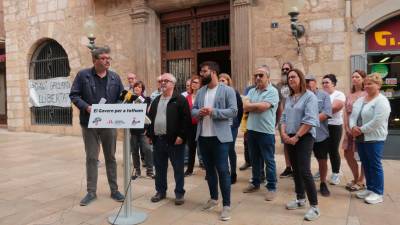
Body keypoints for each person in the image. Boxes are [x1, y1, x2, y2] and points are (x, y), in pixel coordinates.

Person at [69, 46, 125, 206]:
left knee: (111, 157)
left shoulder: (115, 77)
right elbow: (74, 95)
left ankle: (114, 190)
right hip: (89, 123)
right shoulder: (83, 75)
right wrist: (86, 107)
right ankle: (91, 191)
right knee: (92, 158)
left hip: (109, 123)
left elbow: (122, 96)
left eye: (109, 58)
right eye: (103, 58)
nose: (107, 60)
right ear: (94, 60)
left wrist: (117, 107)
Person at [192, 61, 237, 221]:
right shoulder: (201, 91)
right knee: (209, 171)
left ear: (213, 72)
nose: (201, 74)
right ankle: (213, 199)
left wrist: (213, 112)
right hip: (203, 137)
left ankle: (226, 205)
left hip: (220, 139)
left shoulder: (227, 90)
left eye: (204, 71)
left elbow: (233, 111)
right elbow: (193, 110)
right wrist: (200, 112)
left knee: (223, 171)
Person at [280, 69, 320, 221]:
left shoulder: (310, 97)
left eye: (294, 76)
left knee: (304, 170)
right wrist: (284, 134)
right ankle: (300, 199)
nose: (291, 79)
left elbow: (310, 120)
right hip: (289, 136)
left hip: (304, 137)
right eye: (289, 77)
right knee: (295, 170)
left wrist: (297, 136)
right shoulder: (289, 97)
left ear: (300, 78)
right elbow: (283, 117)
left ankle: (315, 207)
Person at [146, 73, 191, 205]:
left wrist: (181, 136)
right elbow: (150, 119)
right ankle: (160, 191)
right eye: (161, 81)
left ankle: (179, 193)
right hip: (158, 140)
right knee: (159, 168)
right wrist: (150, 135)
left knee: (178, 168)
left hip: (174, 141)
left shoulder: (180, 99)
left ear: (173, 84)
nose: (163, 83)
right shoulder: (156, 100)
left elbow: (186, 120)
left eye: (166, 81)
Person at [350, 73, 391, 204]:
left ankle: (378, 193)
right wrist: (352, 127)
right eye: (366, 83)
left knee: (374, 164)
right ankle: (370, 189)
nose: (367, 86)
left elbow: (378, 121)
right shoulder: (361, 100)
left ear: (378, 85)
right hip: (360, 137)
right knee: (366, 163)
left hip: (374, 138)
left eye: (370, 83)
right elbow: (352, 116)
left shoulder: (382, 101)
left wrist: (360, 129)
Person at [242, 65, 279, 201]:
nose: (257, 78)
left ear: (268, 77)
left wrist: (252, 106)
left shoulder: (273, 91)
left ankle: (271, 187)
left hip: (266, 132)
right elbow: (245, 107)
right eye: (256, 75)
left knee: (269, 160)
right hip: (252, 131)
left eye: (261, 75)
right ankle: (255, 183)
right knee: (254, 159)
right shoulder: (252, 91)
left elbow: (263, 107)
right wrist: (254, 106)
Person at [306, 75, 332, 197]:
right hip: (305, 133)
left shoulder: (324, 95)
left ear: (315, 82)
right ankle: (306, 183)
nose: (307, 84)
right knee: (304, 160)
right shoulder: (301, 95)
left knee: (322, 159)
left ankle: (323, 183)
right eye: (305, 82)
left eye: (309, 81)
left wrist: (309, 121)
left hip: (321, 134)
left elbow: (327, 113)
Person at [343, 70, 367, 191]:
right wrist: (346, 127)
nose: (354, 79)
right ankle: (356, 177)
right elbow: (346, 113)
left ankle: (361, 180)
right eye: (353, 76)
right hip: (349, 129)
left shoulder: (366, 93)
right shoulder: (350, 95)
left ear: (363, 79)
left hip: (361, 129)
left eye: (357, 77)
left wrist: (360, 128)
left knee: (363, 155)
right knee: (347, 154)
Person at [218, 73, 243, 184]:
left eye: (223, 80)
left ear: (228, 81)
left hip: (232, 125)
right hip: (221, 125)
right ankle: (225, 172)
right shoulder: (216, 93)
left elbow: (240, 108)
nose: (221, 82)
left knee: (230, 149)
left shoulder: (234, 92)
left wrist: (237, 122)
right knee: (222, 149)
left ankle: (233, 173)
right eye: (219, 80)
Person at [322, 74, 346, 185]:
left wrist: (319, 110)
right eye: (323, 83)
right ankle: (322, 170)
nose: (324, 84)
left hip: (334, 126)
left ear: (333, 84)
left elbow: (335, 108)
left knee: (333, 150)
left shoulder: (339, 94)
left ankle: (336, 173)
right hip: (322, 126)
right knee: (321, 150)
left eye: (327, 82)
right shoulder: (321, 95)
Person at [130, 81, 154, 179]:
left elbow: (148, 115)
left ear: (142, 89)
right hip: (133, 130)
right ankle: (137, 171)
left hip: (143, 130)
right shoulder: (129, 99)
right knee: (134, 151)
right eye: (135, 86)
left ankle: (150, 171)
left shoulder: (146, 99)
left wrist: (148, 129)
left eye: (139, 87)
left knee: (148, 150)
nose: (137, 88)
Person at [277, 62, 294, 178]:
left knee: (296, 143)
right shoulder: (278, 86)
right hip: (283, 119)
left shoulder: (296, 84)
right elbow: (278, 103)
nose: (285, 71)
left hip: (295, 119)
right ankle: (288, 167)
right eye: (283, 69)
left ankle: (297, 167)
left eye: (287, 69)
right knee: (286, 144)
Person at [184, 75, 201, 176]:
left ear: (200, 84)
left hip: (201, 125)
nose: (193, 84)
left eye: (196, 82)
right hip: (191, 126)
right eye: (192, 83)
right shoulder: (187, 97)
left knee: (204, 148)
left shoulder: (203, 95)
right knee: (191, 148)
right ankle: (190, 169)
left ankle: (209, 170)